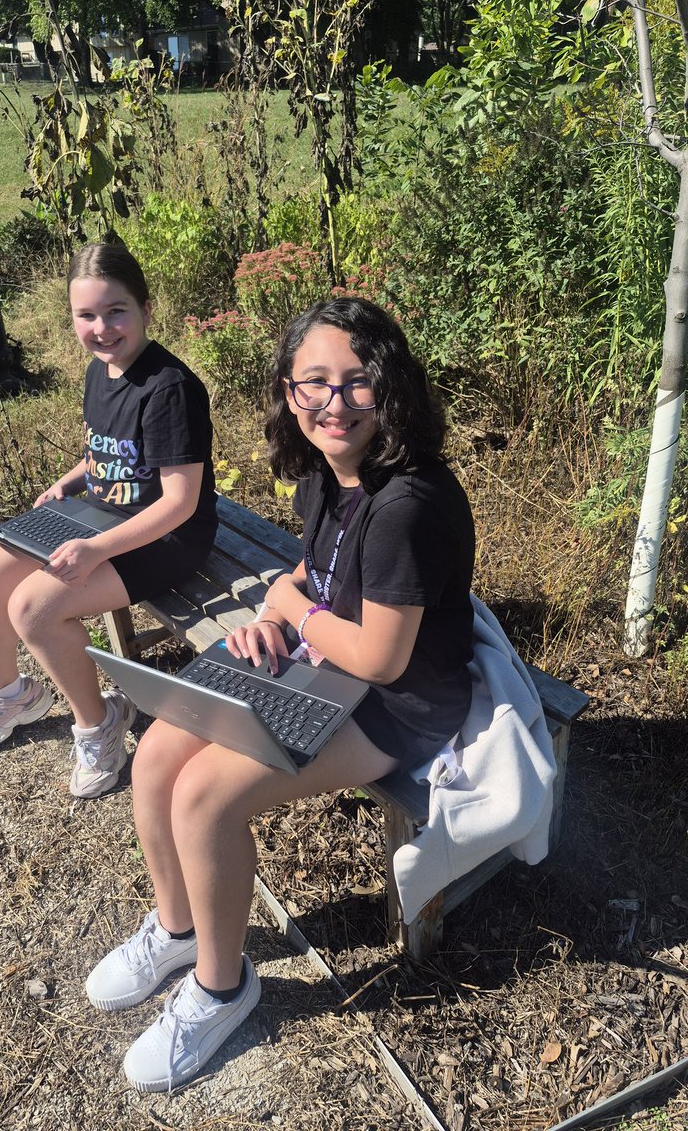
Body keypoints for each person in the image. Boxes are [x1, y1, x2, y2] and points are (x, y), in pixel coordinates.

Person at [84, 297, 475, 1091]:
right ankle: (178, 927)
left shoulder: (405, 503)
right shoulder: (332, 474)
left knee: (203, 799)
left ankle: (223, 989)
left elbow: (384, 656)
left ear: (391, 385)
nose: (335, 404)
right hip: (330, 664)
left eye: (358, 382)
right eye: (314, 383)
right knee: (159, 752)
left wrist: (294, 611)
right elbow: (314, 578)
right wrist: (276, 613)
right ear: (289, 391)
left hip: (402, 703)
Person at [0, 244, 217, 799]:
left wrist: (95, 551)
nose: (102, 328)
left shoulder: (169, 388)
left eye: (116, 311)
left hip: (164, 536)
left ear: (146, 308)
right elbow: (109, 450)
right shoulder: (101, 370)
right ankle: (9, 694)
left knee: (33, 608)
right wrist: (72, 480)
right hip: (98, 514)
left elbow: (180, 503)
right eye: (86, 316)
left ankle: (100, 725)